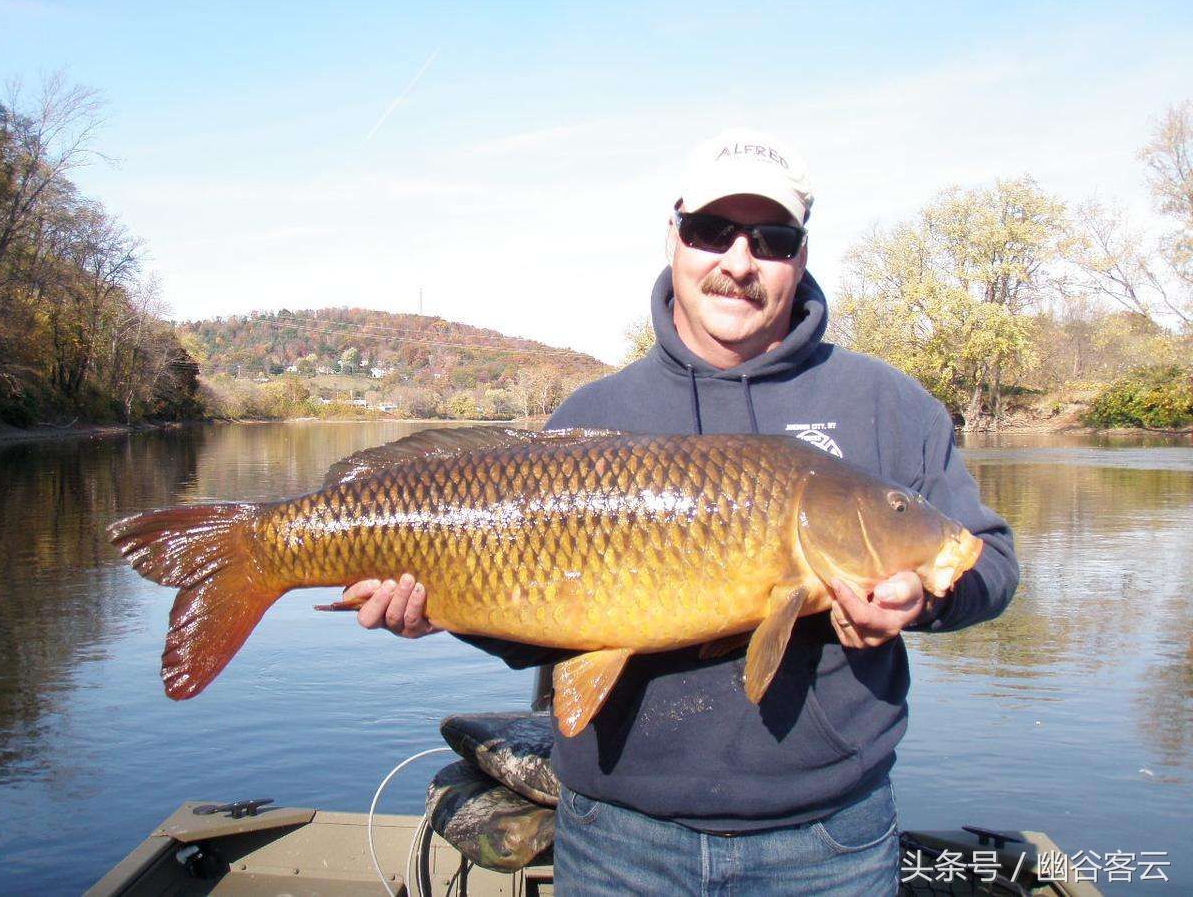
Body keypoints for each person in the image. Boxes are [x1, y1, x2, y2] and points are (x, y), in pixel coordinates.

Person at [343, 128, 1019, 895]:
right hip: (617, 838)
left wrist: (924, 597)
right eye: (711, 232)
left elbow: (985, 559)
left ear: (800, 255)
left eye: (771, 239)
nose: (739, 262)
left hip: (830, 840)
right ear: (674, 238)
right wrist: (444, 610)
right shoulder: (596, 410)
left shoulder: (883, 402)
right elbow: (533, 629)